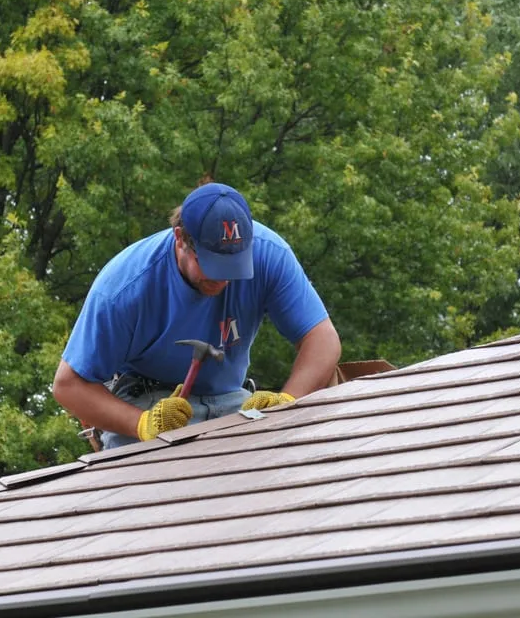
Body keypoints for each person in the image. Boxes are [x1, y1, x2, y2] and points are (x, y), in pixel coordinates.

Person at [52, 182, 341, 449]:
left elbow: (322, 339)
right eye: (214, 265)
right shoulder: (124, 287)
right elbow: (68, 386)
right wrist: (143, 425)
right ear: (181, 239)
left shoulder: (268, 253)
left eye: (235, 266)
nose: (225, 280)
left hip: (230, 401)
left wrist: (287, 401)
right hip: (145, 403)